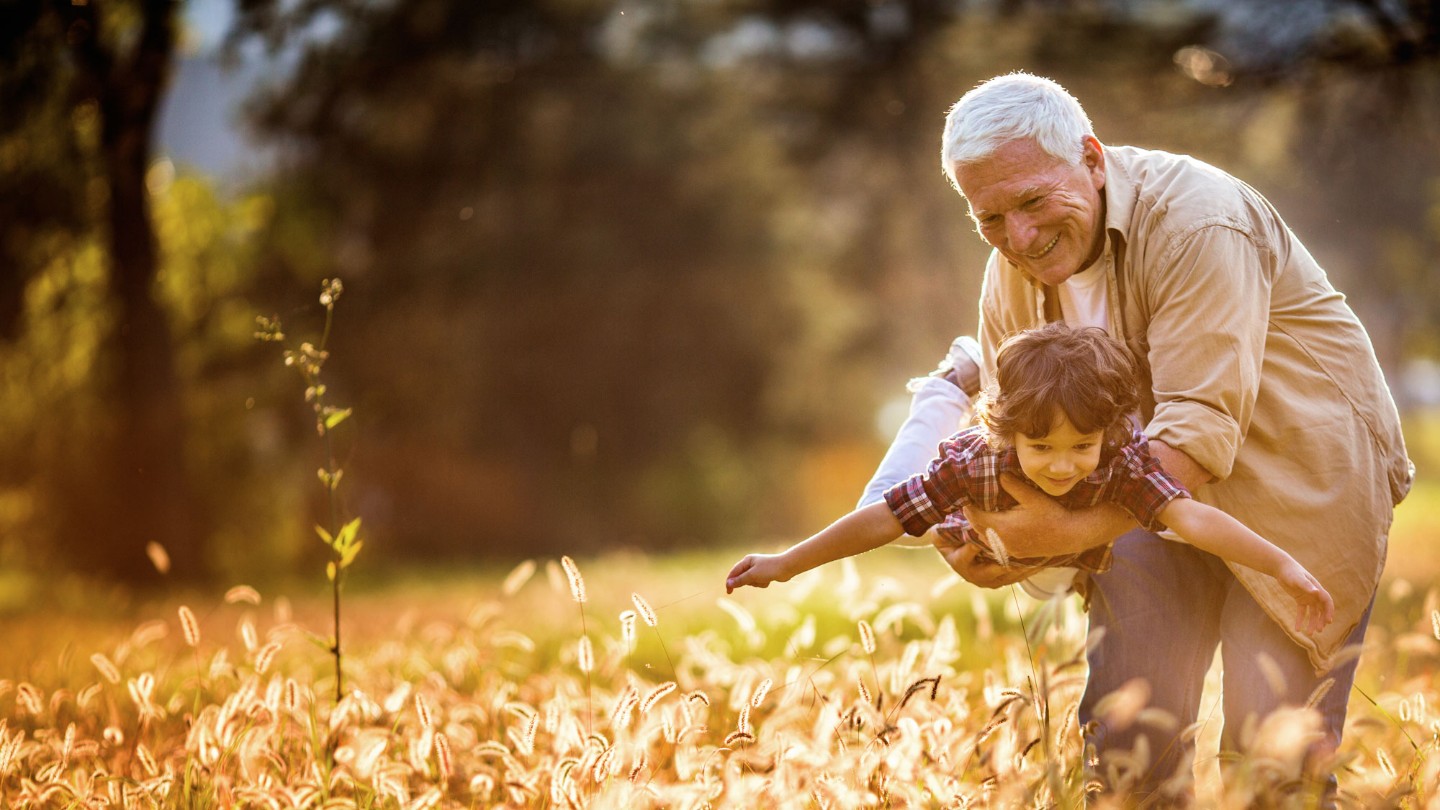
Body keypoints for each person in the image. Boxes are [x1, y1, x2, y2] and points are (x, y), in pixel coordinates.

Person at [858, 72, 1412, 802]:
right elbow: (1013, 432)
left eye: (1032, 201)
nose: (1017, 238)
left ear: (1091, 160)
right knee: (1129, 743)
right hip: (1144, 492)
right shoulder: (1009, 273)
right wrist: (981, 532)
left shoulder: (1199, 221)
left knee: (1272, 755)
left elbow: (1194, 434)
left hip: (1297, 485)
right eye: (989, 217)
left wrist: (1044, 538)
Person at [727, 323, 1336, 638]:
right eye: (1041, 446)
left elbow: (1194, 518)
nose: (1063, 464)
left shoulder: (1122, 460)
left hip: (1060, 545)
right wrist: (787, 562)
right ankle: (948, 385)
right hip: (973, 521)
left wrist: (1280, 564)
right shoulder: (975, 460)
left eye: (1082, 446)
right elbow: (883, 519)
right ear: (1009, 432)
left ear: (1109, 432)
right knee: (889, 507)